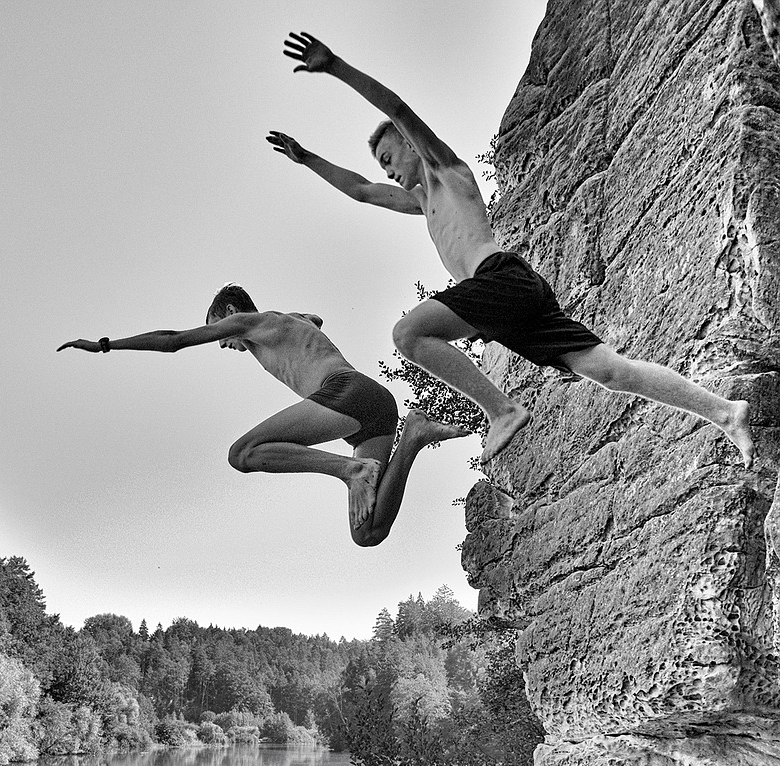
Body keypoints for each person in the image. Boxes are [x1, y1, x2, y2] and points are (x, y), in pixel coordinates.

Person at [269, 31, 753, 469]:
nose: (388, 171)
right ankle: (725, 412)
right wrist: (307, 158)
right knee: (607, 370)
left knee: (408, 334)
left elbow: (397, 109)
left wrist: (334, 67)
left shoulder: (446, 171)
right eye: (382, 166)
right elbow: (359, 190)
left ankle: (501, 410)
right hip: (511, 294)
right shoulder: (420, 201)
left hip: (497, 277)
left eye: (390, 158)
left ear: (411, 148)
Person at [58, 284, 472, 546]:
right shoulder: (283, 322)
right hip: (374, 410)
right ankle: (414, 434)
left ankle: (349, 471)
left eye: (218, 329)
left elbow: (173, 342)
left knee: (243, 454)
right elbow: (315, 318)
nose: (222, 344)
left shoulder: (252, 322)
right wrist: (301, 320)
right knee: (368, 533)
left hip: (346, 392)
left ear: (230, 312)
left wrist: (105, 345)